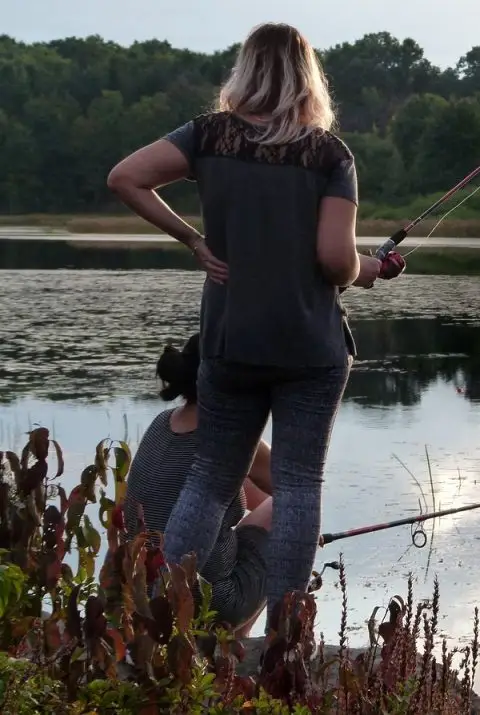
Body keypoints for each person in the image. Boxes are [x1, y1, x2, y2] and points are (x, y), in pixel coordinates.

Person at [106, 21, 407, 643]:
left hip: (229, 342)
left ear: (244, 72)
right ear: (308, 78)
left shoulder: (207, 137)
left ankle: (169, 628)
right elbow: (333, 260)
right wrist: (367, 271)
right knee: (298, 487)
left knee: (211, 480)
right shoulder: (329, 154)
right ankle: (283, 645)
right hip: (310, 348)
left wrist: (192, 239)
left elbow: (125, 177)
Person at [123, 334, 273, 637]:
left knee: (233, 480)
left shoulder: (161, 423)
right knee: (292, 510)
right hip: (212, 604)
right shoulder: (230, 435)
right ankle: (239, 637)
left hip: (149, 595)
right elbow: (296, 489)